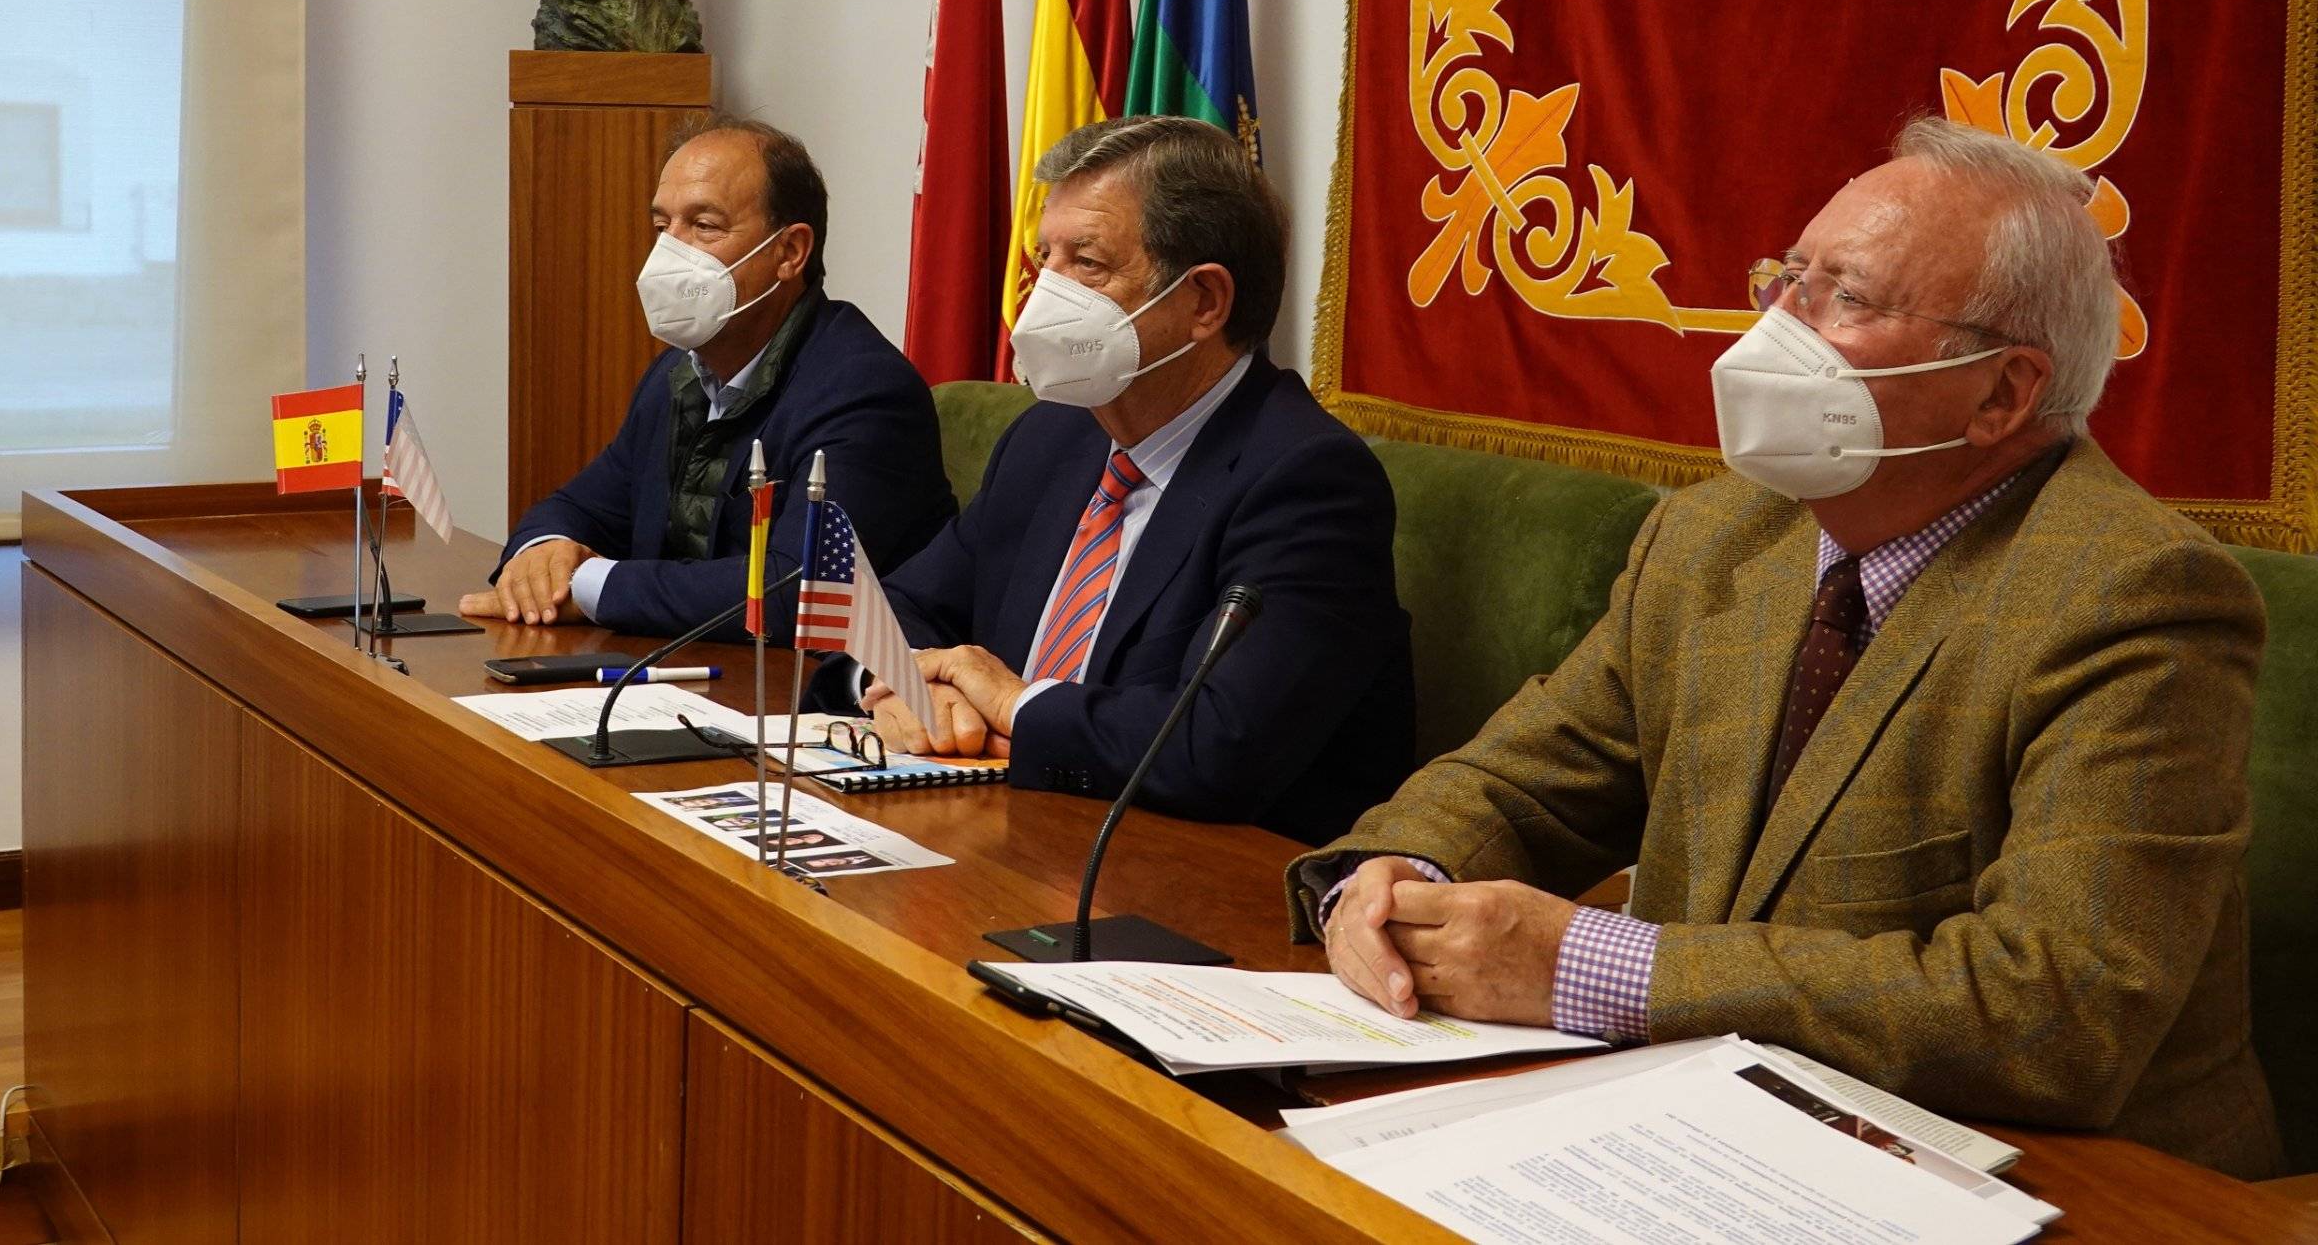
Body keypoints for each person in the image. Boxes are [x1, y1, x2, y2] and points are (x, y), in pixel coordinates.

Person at [1293, 118, 2279, 1177]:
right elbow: (1524, 779)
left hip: (2067, 1183)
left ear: (2001, 391)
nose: (1773, 327)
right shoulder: (1717, 534)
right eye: (1784, 279)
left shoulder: (2132, 594)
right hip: (1712, 1133)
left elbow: (2055, 1008)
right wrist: (1389, 875)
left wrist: (1592, 965)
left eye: (1843, 298)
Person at [830, 116, 1412, 845]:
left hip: (1187, 880)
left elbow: (1215, 743)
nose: (1045, 293)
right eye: (1046, 258)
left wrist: (1015, 703)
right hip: (996, 828)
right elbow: (896, 603)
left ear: (1204, 301)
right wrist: (902, 689)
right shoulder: (1052, 437)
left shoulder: (1308, 481)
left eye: (1088, 264)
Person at [461, 115, 954, 639]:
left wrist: (589, 585)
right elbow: (578, 507)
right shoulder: (678, 373)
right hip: (676, 677)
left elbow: (798, 589)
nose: (668, 252)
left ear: (790, 252)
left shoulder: (863, 390)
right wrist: (545, 553)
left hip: (812, 700)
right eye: (661, 227)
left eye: (704, 227)